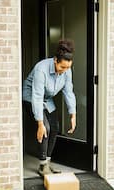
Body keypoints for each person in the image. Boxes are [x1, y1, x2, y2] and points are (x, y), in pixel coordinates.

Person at [22, 39, 76, 176]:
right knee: (45, 128)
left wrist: (72, 114)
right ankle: (42, 165)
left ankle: (47, 162)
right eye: (62, 67)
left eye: (68, 68)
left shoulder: (66, 71)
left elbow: (68, 91)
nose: (64, 71)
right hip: (31, 97)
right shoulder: (42, 69)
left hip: (47, 99)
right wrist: (40, 123)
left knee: (55, 127)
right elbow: (37, 96)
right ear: (55, 60)